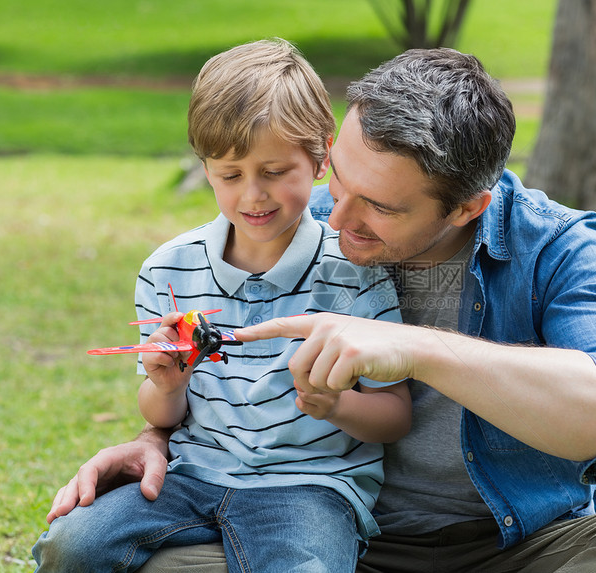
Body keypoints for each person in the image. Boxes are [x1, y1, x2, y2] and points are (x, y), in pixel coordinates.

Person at [45, 48, 596, 572]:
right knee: (134, 558)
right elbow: (223, 374)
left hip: (518, 547)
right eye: (339, 179)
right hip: (327, 537)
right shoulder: (295, 220)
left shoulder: (554, 247)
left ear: (468, 205)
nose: (336, 215)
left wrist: (418, 350)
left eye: (380, 205)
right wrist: (157, 436)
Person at [32, 38, 411, 573]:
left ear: (321, 157)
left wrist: (336, 406)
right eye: (230, 175)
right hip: (188, 475)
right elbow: (162, 413)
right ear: (205, 167)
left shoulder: (355, 273)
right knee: (72, 545)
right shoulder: (169, 270)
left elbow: (394, 414)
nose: (252, 196)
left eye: (275, 171)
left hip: (308, 488)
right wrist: (168, 383)